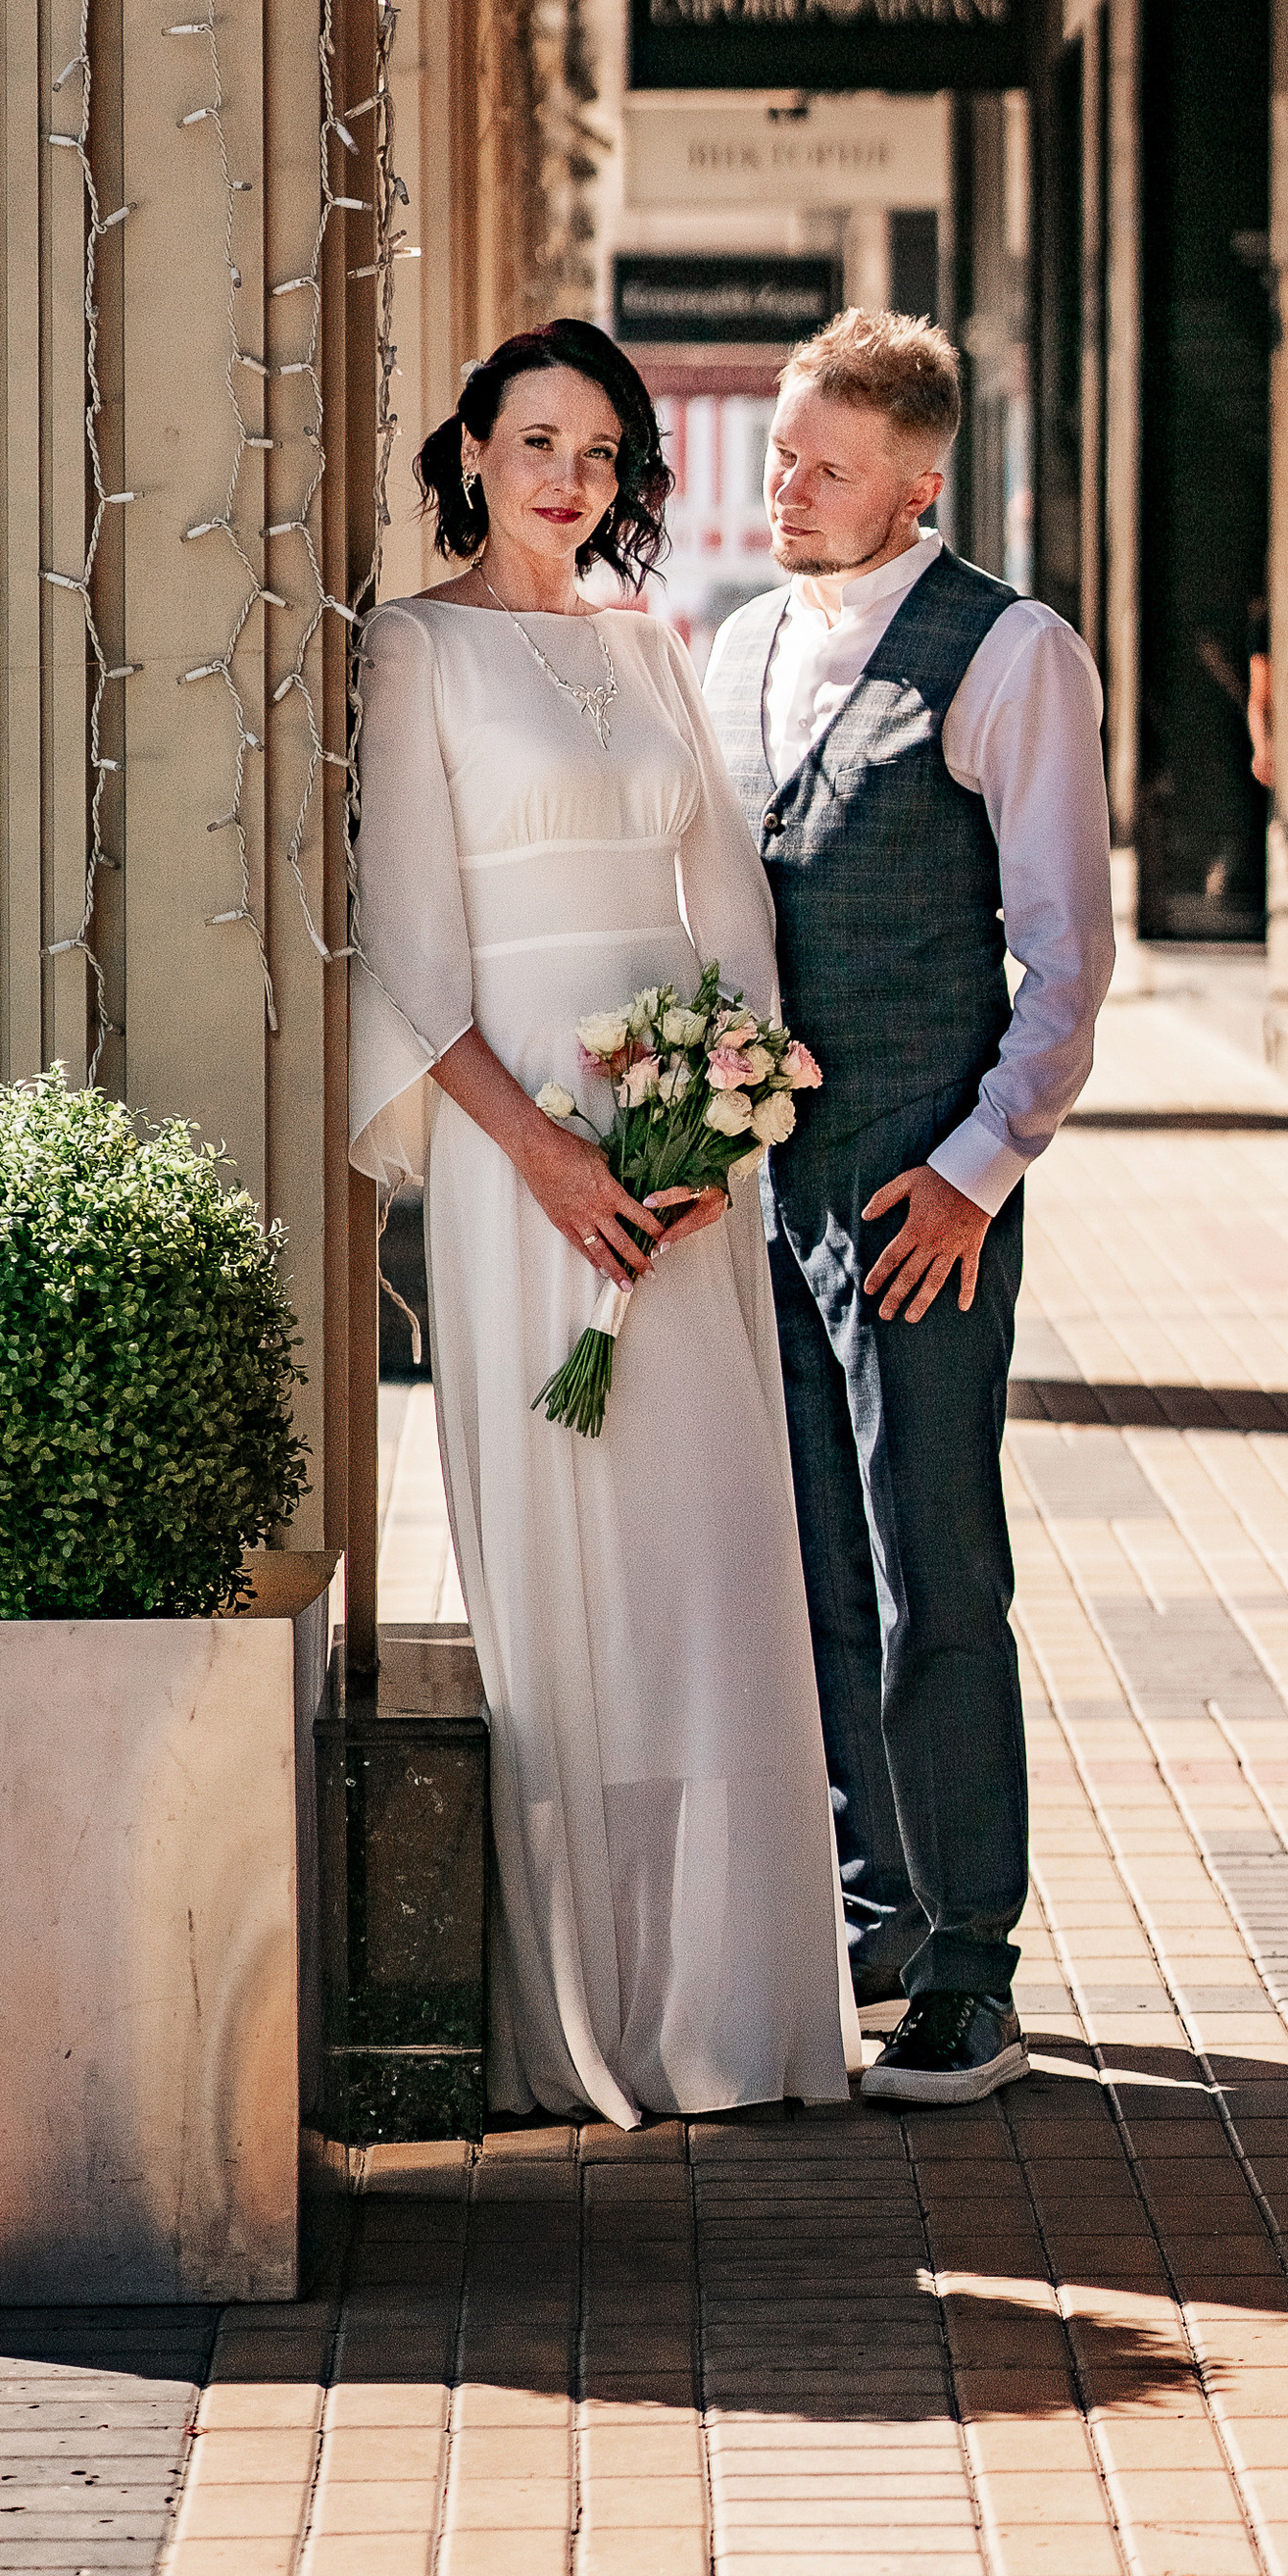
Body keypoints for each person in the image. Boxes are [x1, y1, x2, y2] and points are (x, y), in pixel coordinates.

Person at [349, 317, 853, 2127]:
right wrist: (553, 1164)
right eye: (535, 438)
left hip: (686, 1182)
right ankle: (591, 2013)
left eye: (602, 447)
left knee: (711, 1579)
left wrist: (729, 1119)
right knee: (575, 1593)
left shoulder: (658, 651)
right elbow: (406, 967)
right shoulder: (413, 649)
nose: (569, 475)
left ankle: (736, 2008)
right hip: (523, 1180)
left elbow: (728, 919)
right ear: (472, 452)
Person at [704, 309, 1113, 2106]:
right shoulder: (730, 653)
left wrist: (976, 1171)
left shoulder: (1012, 655)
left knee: (935, 1560)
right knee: (810, 1559)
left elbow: (1069, 962)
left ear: (917, 485)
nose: (787, 489)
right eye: (784, 455)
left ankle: (972, 1967)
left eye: (827, 468)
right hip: (760, 1192)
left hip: (922, 1188)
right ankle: (872, 1912)